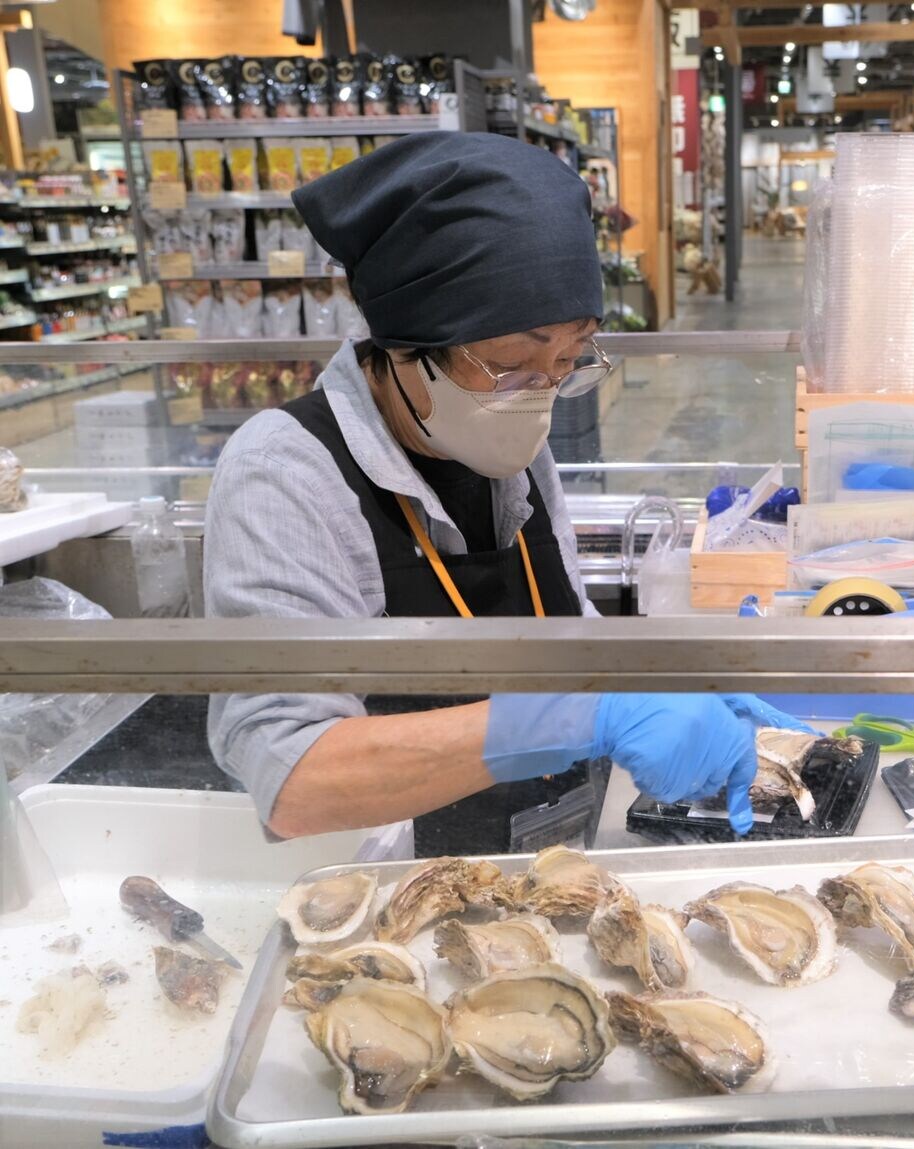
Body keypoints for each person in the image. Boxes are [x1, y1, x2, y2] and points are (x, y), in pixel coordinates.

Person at [204, 132, 809, 848]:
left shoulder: (506, 439)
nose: (542, 390)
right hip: (392, 886)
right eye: (512, 362)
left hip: (547, 861)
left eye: (569, 356)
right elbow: (293, 782)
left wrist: (655, 680)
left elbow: (567, 627)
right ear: (404, 346)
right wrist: (585, 716)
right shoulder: (286, 473)